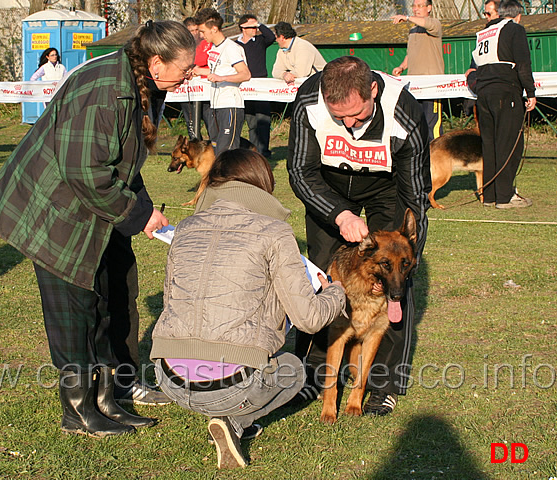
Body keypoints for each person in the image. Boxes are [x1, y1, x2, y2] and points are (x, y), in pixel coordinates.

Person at [0, 21, 196, 438]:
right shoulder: (105, 92)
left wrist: (144, 207)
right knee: (73, 313)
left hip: (89, 207)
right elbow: (85, 171)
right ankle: (77, 412)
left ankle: (105, 401)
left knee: (102, 305)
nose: (190, 76)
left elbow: (121, 162)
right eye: (185, 68)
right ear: (156, 62)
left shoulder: (139, 85)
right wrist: (137, 215)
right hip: (53, 210)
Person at [151, 148, 346, 469]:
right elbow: (309, 318)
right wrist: (336, 292)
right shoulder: (276, 233)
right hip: (228, 386)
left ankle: (229, 416)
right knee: (294, 370)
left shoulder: (185, 228)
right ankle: (235, 423)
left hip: (168, 377)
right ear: (262, 184)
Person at [287, 56, 431, 415]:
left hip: (387, 188)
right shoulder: (308, 101)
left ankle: (384, 384)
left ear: (373, 90)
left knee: (396, 281)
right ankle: (316, 375)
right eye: (339, 118)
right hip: (329, 185)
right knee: (320, 278)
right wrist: (340, 214)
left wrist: (408, 260)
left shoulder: (405, 114)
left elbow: (415, 197)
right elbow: (300, 171)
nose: (349, 125)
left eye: (358, 115)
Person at [473, 0, 535, 208]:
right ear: (517, 16)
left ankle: (489, 196)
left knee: (489, 145)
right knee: (509, 145)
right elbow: (523, 63)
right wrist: (531, 93)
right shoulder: (515, 30)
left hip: (483, 92)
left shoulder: (485, 32)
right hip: (505, 90)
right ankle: (505, 196)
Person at [194, 8, 251, 155]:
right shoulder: (214, 48)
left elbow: (245, 74)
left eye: (203, 31)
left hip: (230, 105)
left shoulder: (231, 48)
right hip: (215, 105)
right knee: (216, 148)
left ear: (214, 28)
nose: (201, 35)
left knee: (227, 151)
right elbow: (217, 70)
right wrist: (198, 71)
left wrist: (221, 78)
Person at [391, 0, 445, 141]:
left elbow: (426, 24)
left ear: (429, 8)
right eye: (414, 6)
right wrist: (401, 67)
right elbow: (411, 54)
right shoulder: (413, 30)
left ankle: (437, 157)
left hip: (432, 86)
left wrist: (407, 18)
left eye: (420, 6)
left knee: (432, 125)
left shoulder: (435, 24)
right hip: (414, 86)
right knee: (417, 124)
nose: (416, 9)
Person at [236, 14, 275, 158]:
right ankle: (254, 151)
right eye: (251, 27)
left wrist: (260, 25)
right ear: (243, 28)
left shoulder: (260, 41)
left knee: (263, 120)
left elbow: (271, 37)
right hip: (245, 87)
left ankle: (264, 151)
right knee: (251, 120)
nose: (254, 29)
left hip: (261, 86)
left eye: (255, 27)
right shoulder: (235, 45)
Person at [181, 16, 212, 140]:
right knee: (191, 122)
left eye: (196, 30)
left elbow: (206, 60)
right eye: (191, 31)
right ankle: (195, 145)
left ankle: (214, 147)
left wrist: (196, 69)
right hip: (188, 90)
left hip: (205, 88)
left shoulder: (207, 43)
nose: (194, 33)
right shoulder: (183, 46)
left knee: (209, 119)